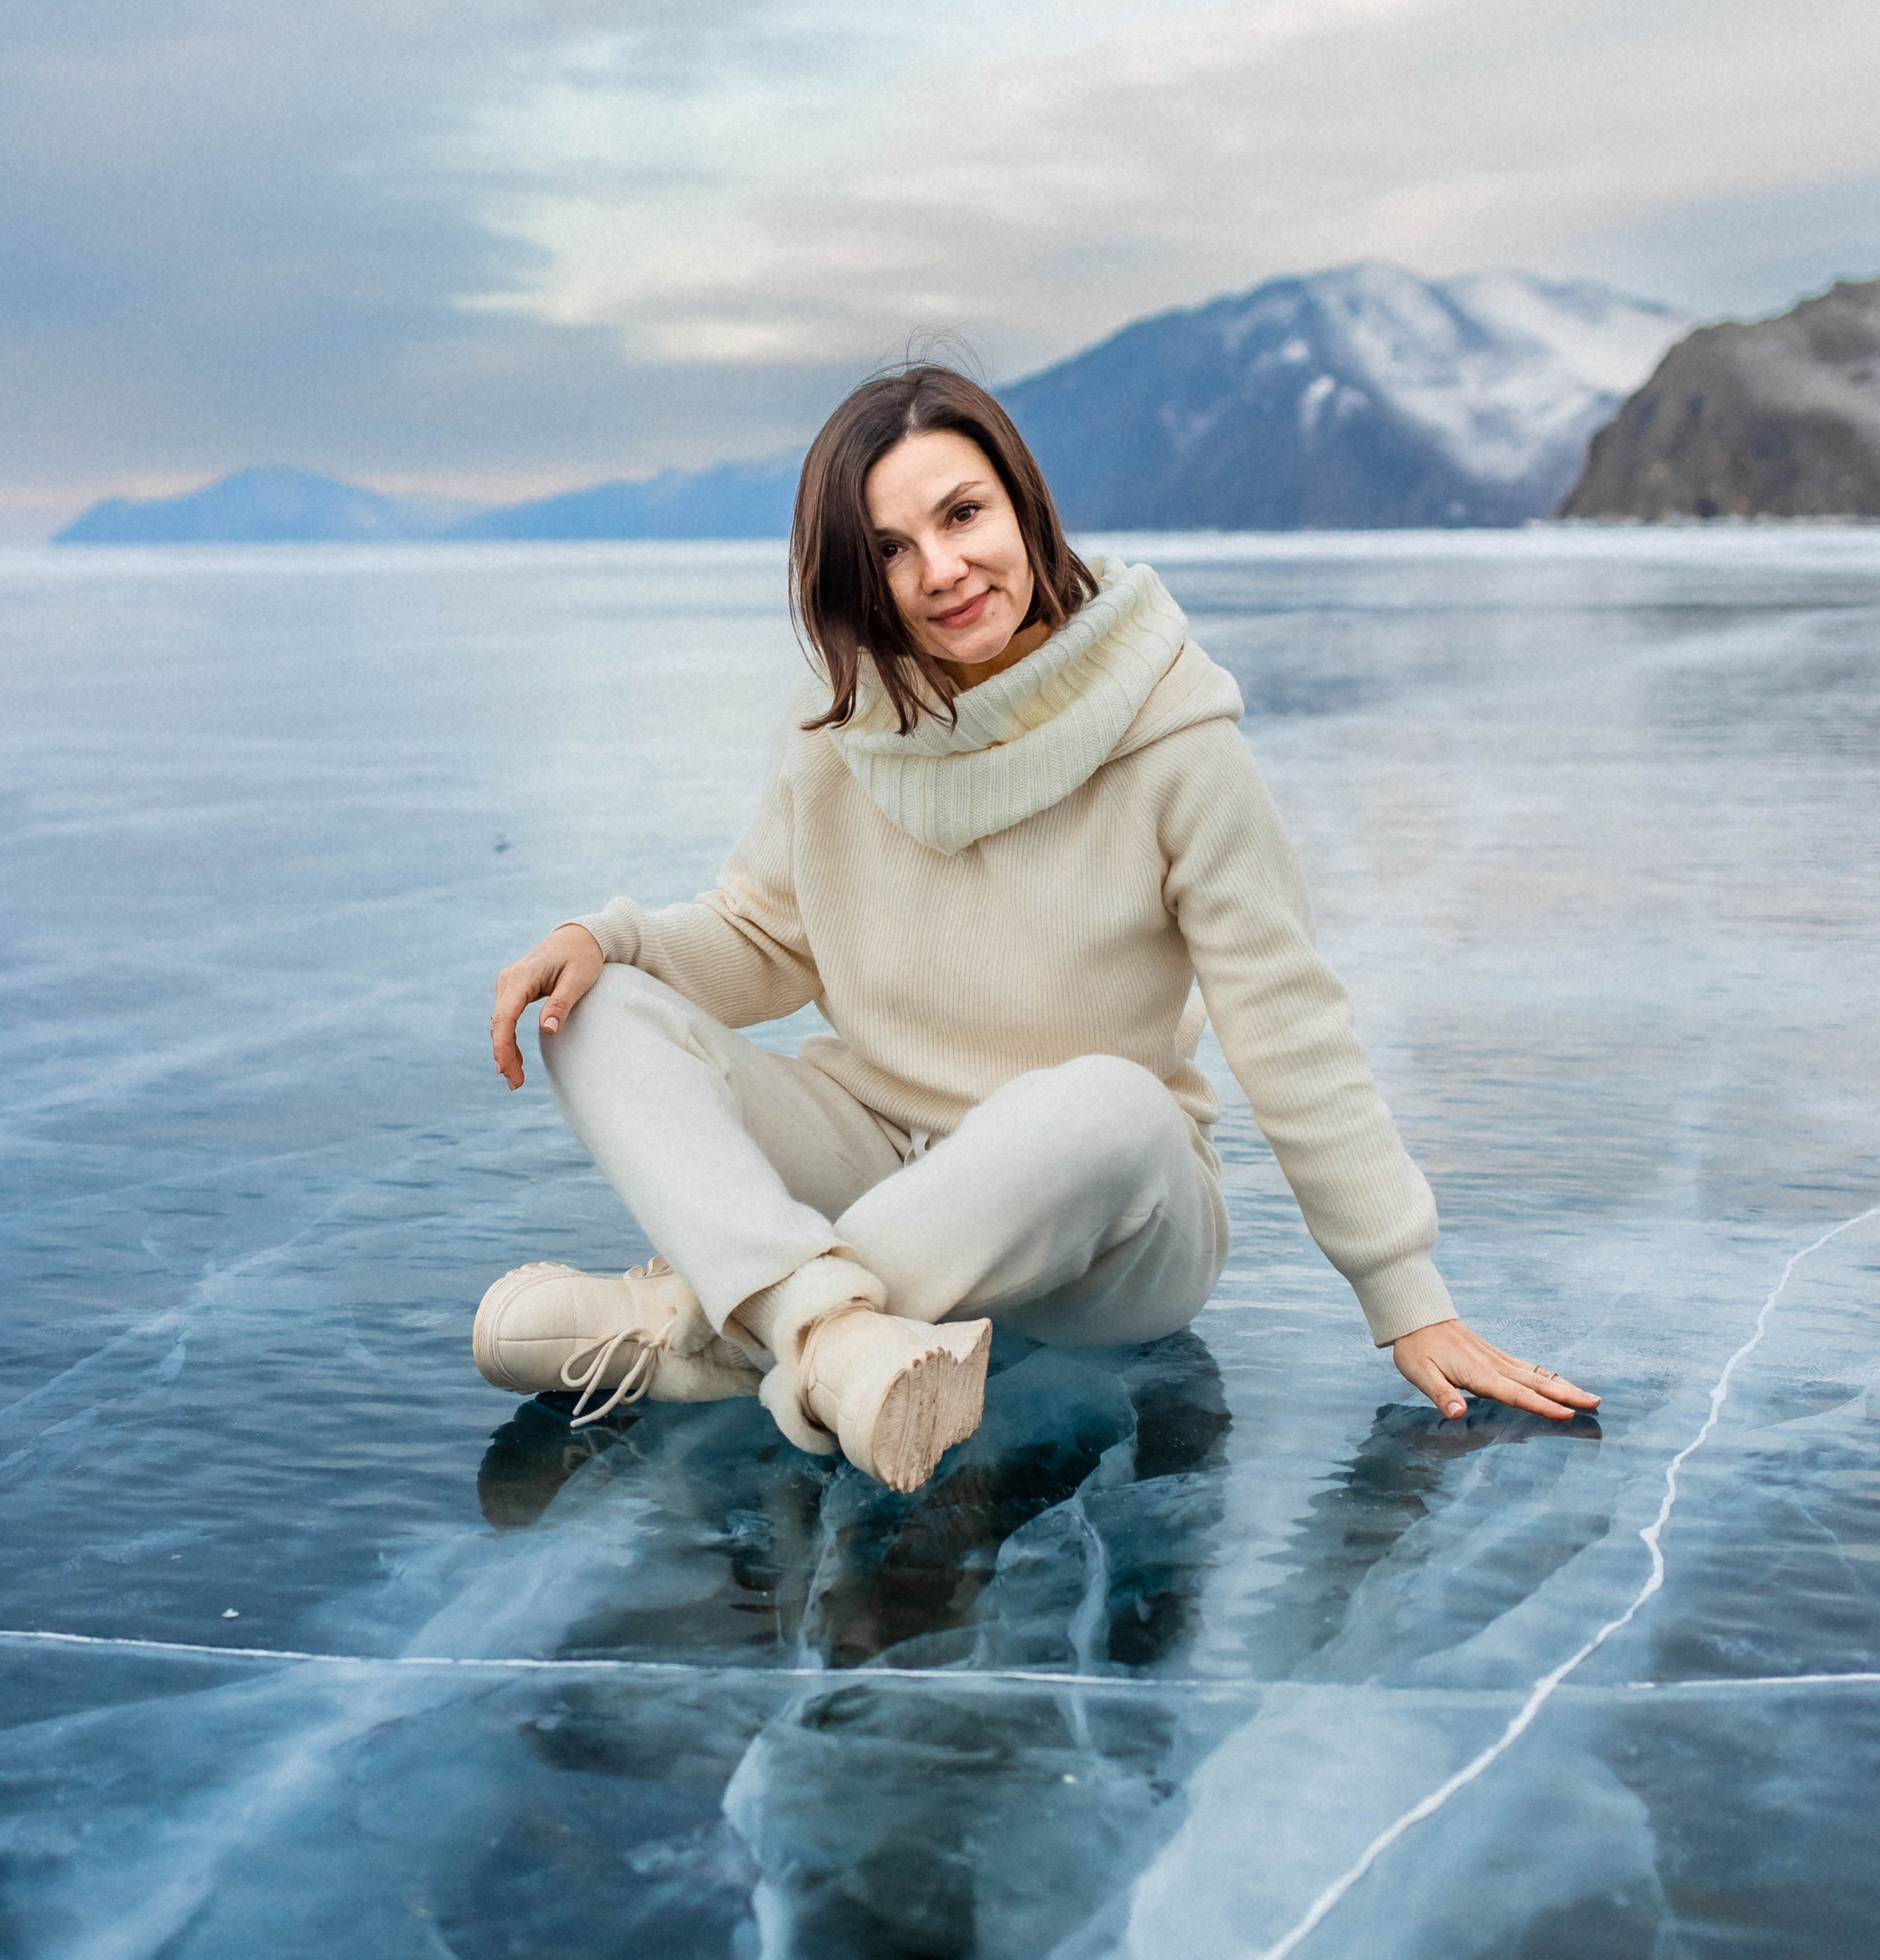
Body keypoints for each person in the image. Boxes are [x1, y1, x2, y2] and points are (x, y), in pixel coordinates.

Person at [476, 365, 1599, 1494]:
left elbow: (1288, 1023)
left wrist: (1404, 1296)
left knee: (1110, 1098)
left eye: (963, 515)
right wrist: (616, 942)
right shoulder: (843, 729)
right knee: (593, 1005)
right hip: (880, 1159)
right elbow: (768, 936)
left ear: (1023, 502)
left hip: (1111, 1227)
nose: (942, 571)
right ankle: (825, 1339)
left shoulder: (1176, 737)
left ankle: (706, 1327)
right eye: (892, 550)